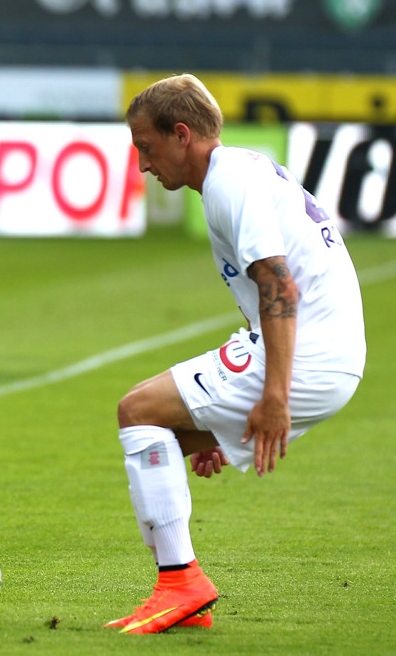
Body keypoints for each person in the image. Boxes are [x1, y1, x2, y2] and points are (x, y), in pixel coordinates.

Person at [109, 74, 365, 634]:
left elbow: (280, 285)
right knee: (160, 440)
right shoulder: (240, 170)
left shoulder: (229, 184)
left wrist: (272, 395)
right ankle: (183, 599)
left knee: (137, 410)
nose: (144, 166)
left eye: (146, 149)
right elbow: (272, 291)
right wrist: (215, 414)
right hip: (328, 354)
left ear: (181, 135)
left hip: (311, 355)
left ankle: (181, 582)